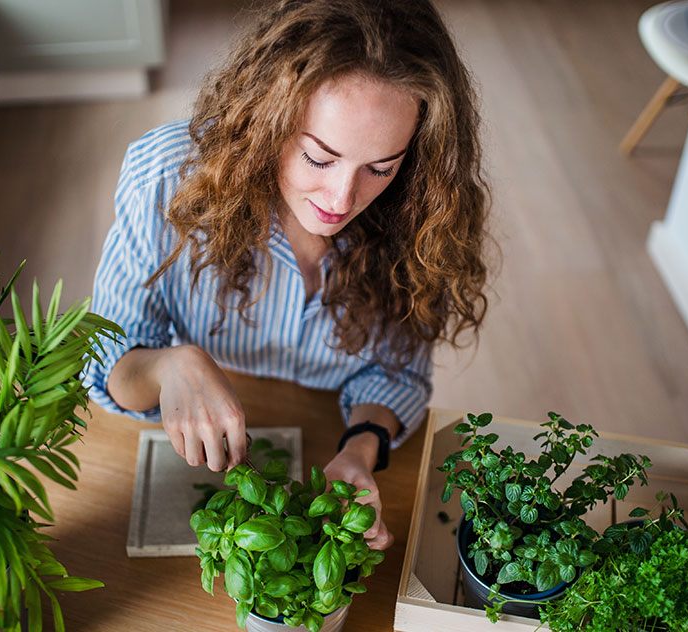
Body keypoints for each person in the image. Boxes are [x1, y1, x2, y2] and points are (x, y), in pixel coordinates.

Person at [84, 0, 489, 551]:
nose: (343, 199)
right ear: (265, 116)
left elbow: (396, 375)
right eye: (319, 158)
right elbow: (107, 361)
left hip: (324, 426)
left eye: (381, 167)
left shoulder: (425, 211)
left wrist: (361, 447)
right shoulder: (165, 177)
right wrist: (168, 365)